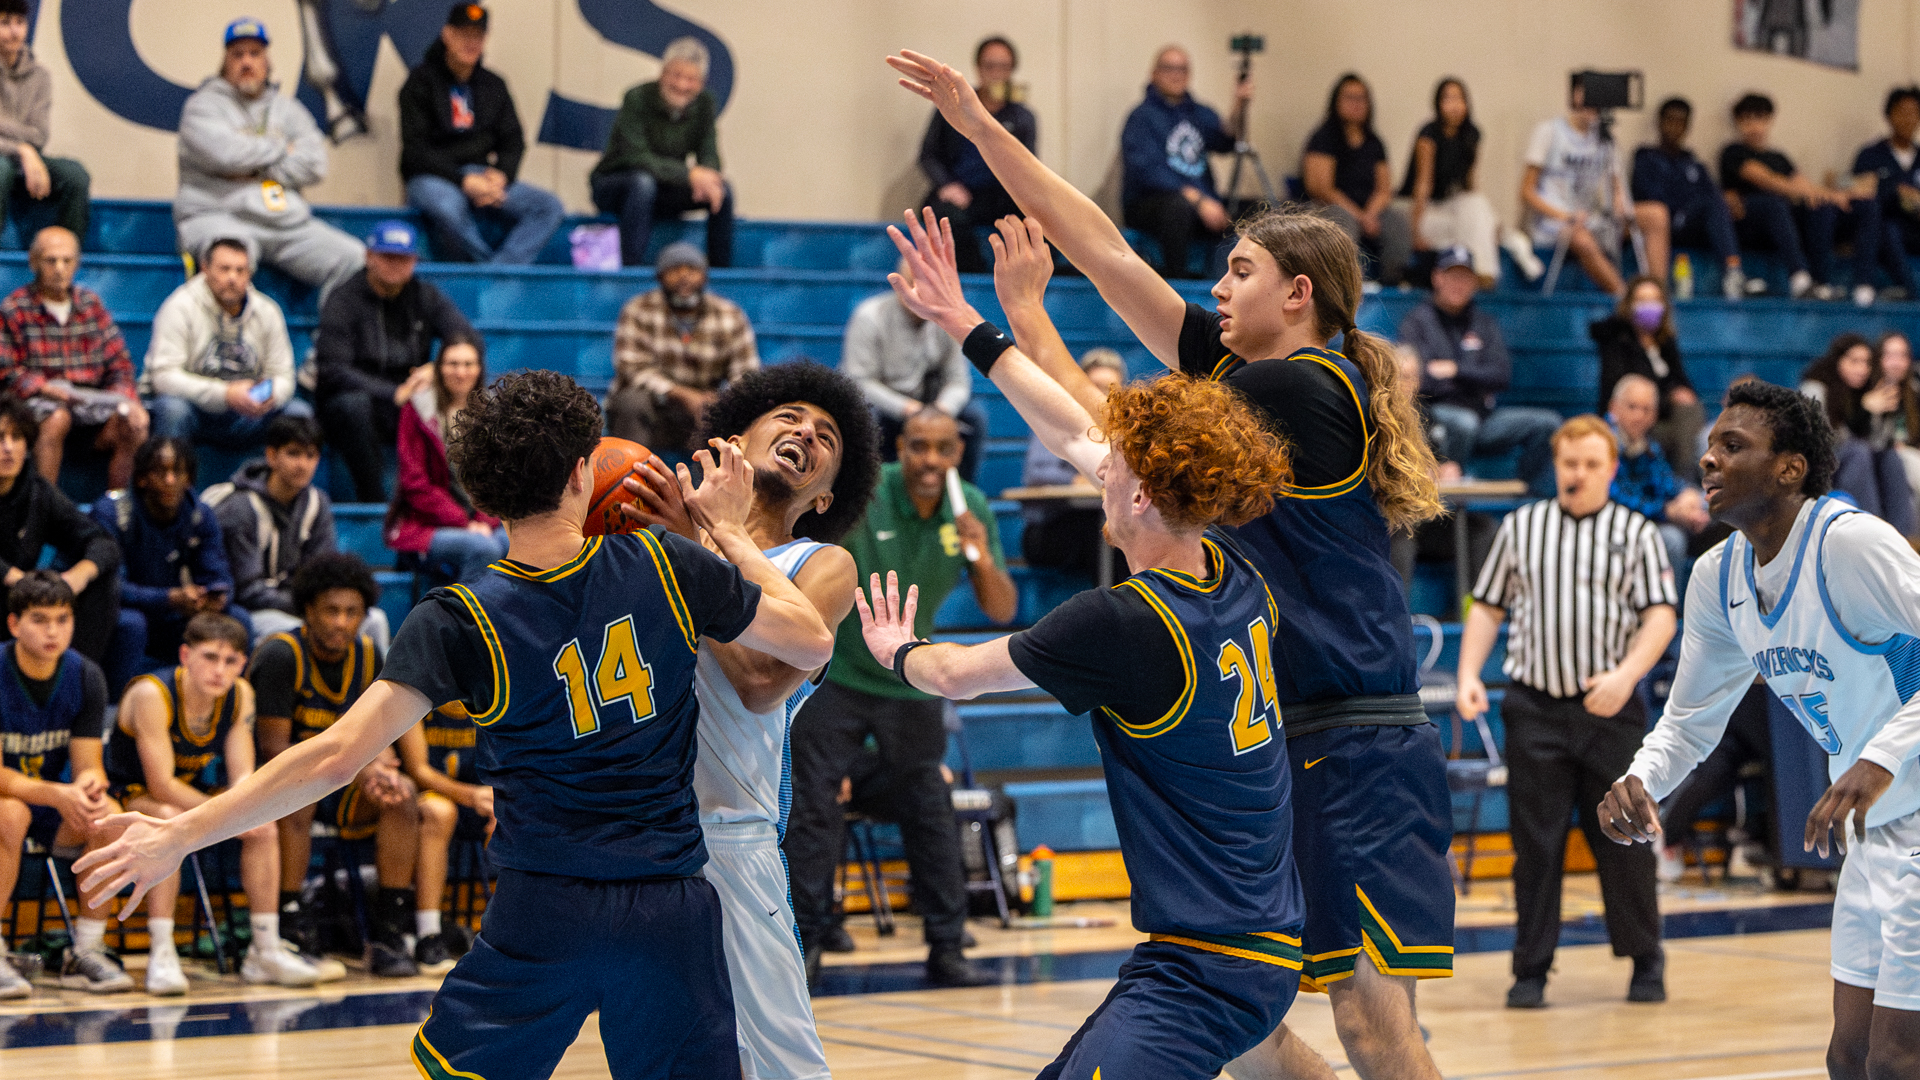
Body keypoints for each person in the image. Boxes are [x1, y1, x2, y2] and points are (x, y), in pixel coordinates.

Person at [886, 50, 1450, 1080]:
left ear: (1299, 292)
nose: (1215, 286)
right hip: (1280, 736)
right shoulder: (1249, 376)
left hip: (1354, 739)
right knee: (1244, 1018)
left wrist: (1003, 326)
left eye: (1239, 271)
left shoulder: (1304, 389)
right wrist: (979, 128)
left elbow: (1113, 446)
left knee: (1372, 1027)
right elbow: (1104, 250)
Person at [77, 368, 838, 1078]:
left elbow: (335, 757)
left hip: (544, 909)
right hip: (669, 906)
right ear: (583, 474)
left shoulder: (460, 617)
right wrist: (729, 531)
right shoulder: (668, 564)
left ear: (483, 497)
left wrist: (179, 835)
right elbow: (810, 641)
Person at [868, 206, 1304, 1076]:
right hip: (1247, 941)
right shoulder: (1231, 564)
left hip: (1207, 964)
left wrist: (897, 649)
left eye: (1117, 466)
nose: (1099, 465)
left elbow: (956, 674)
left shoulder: (1123, 621)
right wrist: (966, 323)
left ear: (1139, 496)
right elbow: (1071, 429)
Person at [1600, 380, 1920, 1080]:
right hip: (1875, 834)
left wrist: (1881, 757)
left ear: (1789, 468)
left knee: (1899, 1059)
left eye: (1733, 445)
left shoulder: (1850, 544)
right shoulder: (1718, 577)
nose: (1708, 458)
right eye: (1710, 445)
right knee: (1849, 1057)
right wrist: (1641, 777)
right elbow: (1690, 719)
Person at [619, 361, 880, 1080]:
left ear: (824, 496)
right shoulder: (657, 533)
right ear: (734, 441)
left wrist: (698, 546)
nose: (807, 433)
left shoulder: (821, 565)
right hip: (632, 837)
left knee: (782, 1067)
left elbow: (761, 682)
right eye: (789, 417)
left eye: (827, 436)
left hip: (729, 843)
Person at [783, 400, 1015, 987]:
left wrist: (980, 556)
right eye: (918, 446)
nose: (930, 459)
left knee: (930, 805)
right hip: (837, 674)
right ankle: (805, 947)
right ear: (901, 449)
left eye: (943, 448)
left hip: (911, 678)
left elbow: (1001, 609)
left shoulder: (970, 508)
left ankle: (947, 948)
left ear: (959, 453)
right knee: (811, 808)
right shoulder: (866, 493)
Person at [1456, 415, 1678, 1008]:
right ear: (1555, 466)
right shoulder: (1522, 527)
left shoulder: (1637, 532)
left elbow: (1661, 616)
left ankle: (1645, 959)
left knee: (1626, 839)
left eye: (1590, 464)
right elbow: (1488, 606)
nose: (1578, 474)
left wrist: (1626, 676)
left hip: (1612, 708)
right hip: (1534, 708)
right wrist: (1469, 673)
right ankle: (1530, 970)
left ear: (1611, 469)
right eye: (1568, 463)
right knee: (1535, 847)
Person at [103, 612, 324, 991]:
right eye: (210, 657)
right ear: (185, 655)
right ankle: (162, 952)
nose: (220, 671)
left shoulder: (241, 695)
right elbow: (161, 785)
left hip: (190, 796)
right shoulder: (152, 694)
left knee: (262, 828)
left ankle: (264, 949)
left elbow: (242, 778)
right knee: (168, 820)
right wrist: (225, 815)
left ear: (243, 664)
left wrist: (243, 815)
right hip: (132, 795)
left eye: (230, 661)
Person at [250, 553, 420, 979]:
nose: (342, 622)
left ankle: (390, 930)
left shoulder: (369, 655)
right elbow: (275, 751)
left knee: (401, 796)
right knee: (299, 797)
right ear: (308, 610)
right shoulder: (281, 656)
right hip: (279, 785)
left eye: (352, 612)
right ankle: (291, 920)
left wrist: (381, 769)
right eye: (331, 611)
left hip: (345, 785)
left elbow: (381, 732)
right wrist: (358, 767)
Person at [173, 18, 364, 302]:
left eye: (255, 53)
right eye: (238, 54)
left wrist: (250, 168)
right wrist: (282, 148)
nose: (246, 62)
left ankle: (330, 333)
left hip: (283, 222)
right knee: (231, 263)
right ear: (225, 61)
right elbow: (226, 155)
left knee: (355, 260)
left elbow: (315, 164)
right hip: (218, 216)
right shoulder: (201, 107)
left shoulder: (288, 110)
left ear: (267, 61)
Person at [0, 572, 124, 997]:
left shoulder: (85, 674)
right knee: (9, 814)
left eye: (62, 619)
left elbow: (89, 764)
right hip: (11, 802)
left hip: (47, 803)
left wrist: (89, 786)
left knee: (107, 817)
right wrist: (56, 793)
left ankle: (86, 950)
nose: (53, 631)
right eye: (40, 619)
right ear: (14, 624)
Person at [313, 219, 475, 502]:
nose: (395, 265)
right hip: (358, 401)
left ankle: (459, 503)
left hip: (412, 396)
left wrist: (436, 369)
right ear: (369, 256)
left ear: (414, 261)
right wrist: (393, 393)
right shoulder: (343, 299)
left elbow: (469, 339)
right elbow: (332, 369)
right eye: (387, 257)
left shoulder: (425, 296)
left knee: (459, 392)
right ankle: (375, 503)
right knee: (353, 406)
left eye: (403, 259)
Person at [203, 414, 390, 649]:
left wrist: (321, 607)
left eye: (310, 455)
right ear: (271, 455)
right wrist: (311, 608)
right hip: (253, 612)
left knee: (375, 622)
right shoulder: (241, 507)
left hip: (304, 607)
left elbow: (325, 575)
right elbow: (248, 591)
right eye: (293, 453)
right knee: (296, 632)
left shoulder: (317, 502)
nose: (302, 464)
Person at [399, 3, 563, 265]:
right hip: (433, 176)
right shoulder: (419, 82)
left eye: (478, 36)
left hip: (482, 173)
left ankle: (500, 272)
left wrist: (502, 174)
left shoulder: (493, 85)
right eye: (464, 34)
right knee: (447, 206)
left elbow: (513, 139)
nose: (471, 43)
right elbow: (416, 152)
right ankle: (486, 274)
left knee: (548, 207)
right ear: (447, 35)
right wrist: (463, 181)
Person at [1396, 245, 1559, 494]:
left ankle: (1528, 496)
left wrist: (1455, 370)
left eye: (1465, 278)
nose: (1458, 284)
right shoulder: (1416, 322)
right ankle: (1449, 499)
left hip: (1484, 416)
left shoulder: (1485, 323)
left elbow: (1501, 375)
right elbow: (1421, 380)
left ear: (1474, 283)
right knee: (1464, 423)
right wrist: (1476, 378)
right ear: (1437, 278)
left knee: (1548, 423)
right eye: (1453, 276)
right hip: (1435, 415)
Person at [92, 438, 250, 690]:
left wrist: (214, 597)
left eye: (178, 472)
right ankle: (115, 704)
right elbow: (111, 588)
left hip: (175, 615)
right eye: (160, 472)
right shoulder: (112, 514)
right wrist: (168, 598)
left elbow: (218, 574)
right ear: (141, 478)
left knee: (236, 618)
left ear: (189, 479)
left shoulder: (200, 514)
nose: (169, 480)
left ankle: (228, 698)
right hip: (125, 613)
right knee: (132, 624)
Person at [0, 226, 146, 488]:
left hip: (91, 404)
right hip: (41, 404)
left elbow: (120, 365)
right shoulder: (15, 308)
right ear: (34, 262)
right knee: (57, 418)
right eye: (51, 260)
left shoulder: (91, 305)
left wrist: (127, 401)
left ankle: (117, 507)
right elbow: (7, 370)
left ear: (77, 264)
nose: (59, 269)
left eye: (67, 261)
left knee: (134, 423)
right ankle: (44, 505)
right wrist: (44, 388)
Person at [1721, 93, 1893, 306]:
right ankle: (1800, 281)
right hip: (1752, 222)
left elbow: (1806, 186)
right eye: (1748, 120)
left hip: (1788, 223)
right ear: (1738, 123)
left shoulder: (1779, 158)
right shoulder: (1732, 153)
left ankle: (1860, 287)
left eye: (1761, 119)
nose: (1755, 127)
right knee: (1777, 203)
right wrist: (1816, 194)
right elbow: (1769, 181)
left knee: (1851, 206)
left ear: (1769, 121)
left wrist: (1837, 196)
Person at [141, 238, 310, 451]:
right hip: (197, 411)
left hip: (251, 413)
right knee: (173, 409)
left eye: (240, 270)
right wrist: (226, 394)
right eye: (224, 269)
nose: (232, 278)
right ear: (205, 269)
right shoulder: (179, 307)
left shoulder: (268, 312)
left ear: (250, 274)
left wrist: (270, 396)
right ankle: (170, 472)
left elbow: (284, 376)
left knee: (298, 414)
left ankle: (292, 475)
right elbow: (164, 378)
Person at [590, 36, 734, 269]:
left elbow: (709, 151)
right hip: (618, 185)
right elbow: (636, 156)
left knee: (723, 191)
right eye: (676, 75)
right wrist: (689, 175)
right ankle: (629, 272)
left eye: (691, 79)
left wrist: (708, 176)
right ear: (662, 74)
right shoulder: (636, 98)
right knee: (642, 183)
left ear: (701, 83)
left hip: (665, 188)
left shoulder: (705, 103)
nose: (681, 85)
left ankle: (719, 275)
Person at [604, 242, 759, 458]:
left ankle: (722, 477)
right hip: (655, 410)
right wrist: (683, 394)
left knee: (742, 407)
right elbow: (631, 367)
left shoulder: (730, 314)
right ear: (660, 277)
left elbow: (746, 373)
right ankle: (628, 471)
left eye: (692, 269)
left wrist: (719, 402)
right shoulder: (638, 309)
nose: (684, 276)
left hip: (704, 411)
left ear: (704, 276)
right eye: (675, 270)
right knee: (631, 401)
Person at [840, 263, 988, 481]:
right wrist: (908, 409)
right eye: (911, 285)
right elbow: (860, 382)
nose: (918, 293)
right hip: (884, 406)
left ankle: (963, 493)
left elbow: (958, 381)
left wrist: (941, 410)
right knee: (864, 420)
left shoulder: (948, 319)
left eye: (928, 286)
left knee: (973, 418)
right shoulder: (869, 316)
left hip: (931, 404)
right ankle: (869, 493)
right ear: (898, 284)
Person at [0, 398, 117, 664]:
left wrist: (78, 575)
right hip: (14, 592)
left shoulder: (37, 492)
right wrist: (13, 577)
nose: (8, 448)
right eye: (0, 438)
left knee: (101, 576)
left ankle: (74, 671)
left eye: (16, 437)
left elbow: (102, 542)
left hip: (20, 601)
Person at [384, 336, 507, 583]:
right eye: (453, 364)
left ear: (479, 369)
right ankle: (465, 609)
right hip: (426, 524)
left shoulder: (494, 414)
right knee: (485, 548)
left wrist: (483, 520)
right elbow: (414, 483)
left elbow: (502, 480)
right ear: (439, 368)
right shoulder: (417, 410)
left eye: (468, 364)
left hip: (484, 522)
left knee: (515, 542)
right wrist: (463, 522)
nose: (461, 372)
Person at [1120, 45, 1247, 279]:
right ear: (1154, 73)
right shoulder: (1141, 118)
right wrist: (1197, 199)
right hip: (1151, 205)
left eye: (1182, 69)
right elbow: (1148, 173)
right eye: (1169, 68)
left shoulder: (1198, 112)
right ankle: (1176, 285)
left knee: (1251, 211)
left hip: (1199, 204)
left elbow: (1224, 141)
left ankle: (1230, 284)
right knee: (1178, 208)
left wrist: (1239, 105)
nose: (1176, 75)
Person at [1520, 75, 1654, 297]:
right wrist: (1564, 216)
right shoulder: (1549, 131)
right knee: (1580, 238)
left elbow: (1617, 187)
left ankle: (1656, 295)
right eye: (1585, 93)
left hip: (1591, 218)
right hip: (1556, 222)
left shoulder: (1606, 139)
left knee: (1655, 216)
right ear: (1574, 95)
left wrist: (1620, 202)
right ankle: (1627, 299)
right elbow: (1526, 191)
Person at [917, 36, 1036, 274]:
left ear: (1012, 70)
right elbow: (928, 155)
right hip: (960, 194)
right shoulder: (953, 106)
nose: (996, 73)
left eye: (1003, 67)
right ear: (978, 68)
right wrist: (947, 185)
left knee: (1039, 221)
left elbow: (1028, 166)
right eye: (990, 66)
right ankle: (975, 279)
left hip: (1001, 195)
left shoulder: (1022, 117)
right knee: (947, 219)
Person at [395, 699, 485, 974]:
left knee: (524, 812)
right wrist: (472, 796)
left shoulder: (487, 694)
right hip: (422, 798)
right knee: (440, 813)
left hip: (476, 797)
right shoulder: (418, 694)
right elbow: (418, 769)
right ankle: (429, 934)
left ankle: (521, 935)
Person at [1021, 348, 1125, 576]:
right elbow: (1036, 473)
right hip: (1051, 528)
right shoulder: (1055, 419)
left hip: (1100, 521)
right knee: (1100, 533)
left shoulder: (1126, 428)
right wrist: (1077, 479)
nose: (1103, 396)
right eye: (1095, 387)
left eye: (1111, 389)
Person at [1591, 274, 1704, 483]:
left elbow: (1684, 384)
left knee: (1693, 417)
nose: (1649, 306)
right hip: (1633, 422)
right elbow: (1623, 391)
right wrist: (1670, 397)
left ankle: (1685, 486)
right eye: (1642, 300)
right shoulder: (1616, 340)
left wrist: (1679, 394)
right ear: (1629, 305)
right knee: (1687, 419)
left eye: (1654, 300)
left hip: (1662, 421)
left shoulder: (1665, 342)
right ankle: (1685, 485)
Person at [1801, 332, 1917, 536]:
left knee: (1890, 456)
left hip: (1856, 462)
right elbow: (1818, 443)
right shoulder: (1816, 388)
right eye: (1854, 361)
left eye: (1866, 363)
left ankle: (1904, 537)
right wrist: (1864, 410)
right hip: (1820, 468)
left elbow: (1878, 443)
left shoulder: (1866, 390)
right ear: (1838, 361)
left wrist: (1876, 415)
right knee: (1859, 451)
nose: (1862, 369)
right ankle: (1871, 533)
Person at [1631, 97, 1748, 297]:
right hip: (1665, 223)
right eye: (1670, 120)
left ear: (1687, 127)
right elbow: (1649, 196)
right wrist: (1688, 202)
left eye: (1681, 122)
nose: (1674, 127)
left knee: (1724, 203)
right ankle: (1731, 272)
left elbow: (1711, 194)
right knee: (1709, 204)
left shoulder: (1693, 162)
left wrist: (1726, 197)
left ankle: (1734, 272)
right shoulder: (1646, 157)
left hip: (1694, 224)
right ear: (1659, 122)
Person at [1303, 74, 1411, 287]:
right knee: (1343, 222)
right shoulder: (1323, 138)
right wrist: (1359, 216)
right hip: (1330, 208)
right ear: (1336, 101)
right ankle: (1348, 286)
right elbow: (1321, 189)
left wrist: (1370, 214)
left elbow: (1384, 189)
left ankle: (1393, 285)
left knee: (1397, 223)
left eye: (1362, 98)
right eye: (1350, 97)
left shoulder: (1375, 142)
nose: (1356, 104)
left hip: (1368, 211)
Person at [0, 0, 88, 244]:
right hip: (9, 160)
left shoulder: (40, 76)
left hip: (27, 160)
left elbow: (38, 135)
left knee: (75, 175)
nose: (14, 31)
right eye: (5, 23)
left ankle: (66, 251)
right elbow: (29, 139)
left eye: (20, 22)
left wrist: (22, 147)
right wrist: (21, 148)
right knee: (1, 169)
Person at [1609, 374, 1712, 581]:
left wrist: (1686, 494)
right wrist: (1667, 511)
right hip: (1617, 524)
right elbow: (1617, 498)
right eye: (1632, 407)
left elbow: (1666, 481)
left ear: (1654, 415)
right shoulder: (1603, 444)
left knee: (1711, 501)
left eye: (1646, 409)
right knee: (1672, 540)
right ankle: (1668, 601)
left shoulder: (1648, 445)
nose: (1639, 416)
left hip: (1653, 516)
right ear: (1614, 408)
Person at [1398, 77, 1498, 285]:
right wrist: (1415, 232)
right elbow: (1423, 184)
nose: (1454, 105)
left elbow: (1470, 185)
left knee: (1478, 207)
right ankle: (1461, 278)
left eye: (1459, 99)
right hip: (1422, 207)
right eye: (1448, 99)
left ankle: (1483, 276)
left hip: (1450, 205)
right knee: (1468, 225)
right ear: (1438, 104)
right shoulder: (1428, 134)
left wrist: (1489, 219)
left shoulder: (1472, 134)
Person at [1857, 85, 1920, 293]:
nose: (1908, 119)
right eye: (1902, 112)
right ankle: (1910, 293)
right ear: (1889, 115)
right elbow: (1857, 189)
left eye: (1914, 113)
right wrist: (1897, 191)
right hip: (1886, 228)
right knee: (1888, 229)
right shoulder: (1870, 154)